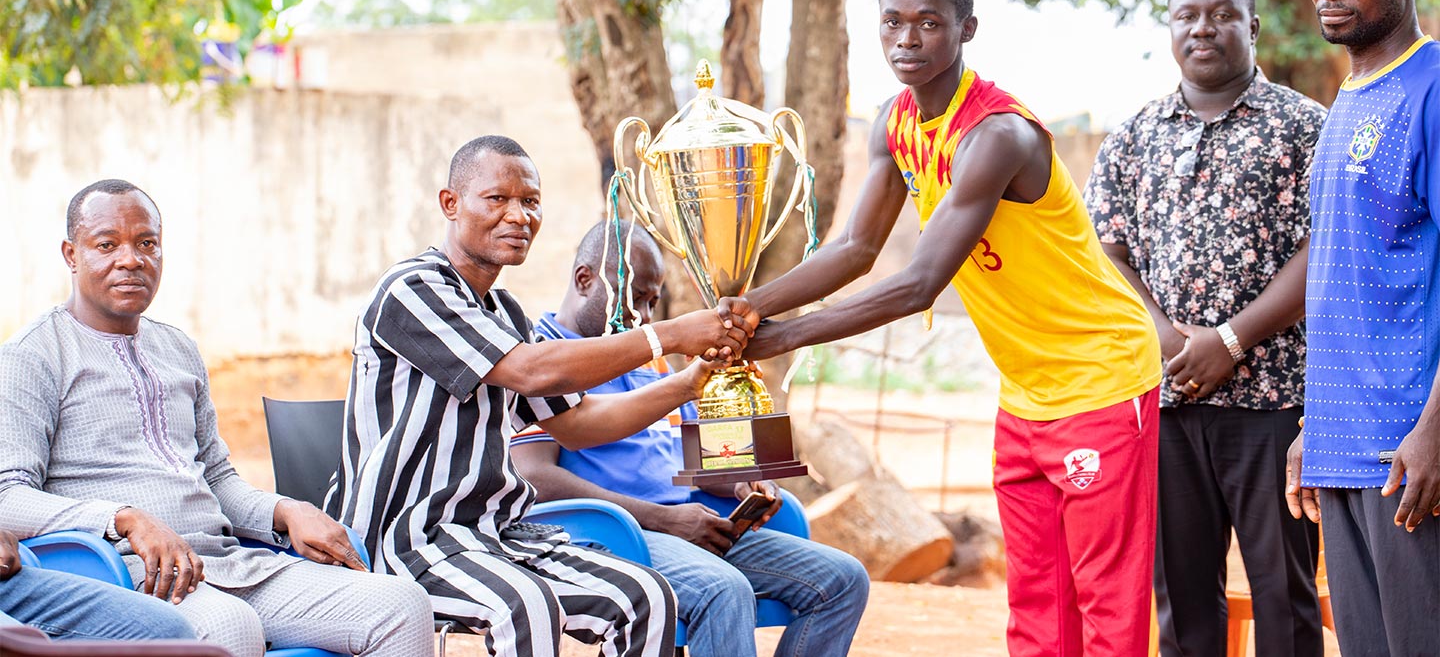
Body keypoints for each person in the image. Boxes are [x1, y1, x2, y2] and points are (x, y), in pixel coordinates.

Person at [740, 0, 1161, 657]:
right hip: (1027, 393)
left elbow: (919, 283)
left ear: (966, 28)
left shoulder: (996, 134)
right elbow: (854, 250)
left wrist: (786, 337)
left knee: (1107, 602)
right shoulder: (895, 121)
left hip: (1101, 378)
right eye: (893, 23)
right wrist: (747, 307)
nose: (907, 40)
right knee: (1036, 597)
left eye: (928, 23)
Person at [325, 135, 759, 657]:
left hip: (492, 533)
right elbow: (530, 373)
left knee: (648, 595)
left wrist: (686, 384)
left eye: (530, 202)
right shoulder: (413, 289)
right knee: (526, 604)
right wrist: (666, 336)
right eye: (497, 199)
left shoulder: (505, 314)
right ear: (450, 204)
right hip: (404, 536)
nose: (518, 215)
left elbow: (579, 423)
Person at [0, 179, 434, 657]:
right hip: (126, 573)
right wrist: (121, 520)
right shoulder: (33, 355)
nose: (130, 260)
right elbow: (7, 495)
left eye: (147, 243)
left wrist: (285, 511)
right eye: (107, 245)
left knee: (403, 605)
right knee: (230, 627)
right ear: (71, 254)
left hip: (230, 563)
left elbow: (219, 478)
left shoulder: (177, 349)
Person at [1083, 0, 1325, 656]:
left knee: (1285, 595)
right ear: (1169, 29)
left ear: (1252, 27)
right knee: (1181, 596)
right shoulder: (1135, 133)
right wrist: (1160, 333)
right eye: (1186, 16)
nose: (1202, 28)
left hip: (1274, 403)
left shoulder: (1305, 127)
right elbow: (1105, 251)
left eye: (1221, 14)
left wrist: (1232, 339)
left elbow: (1326, 251)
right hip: (1165, 402)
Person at [510, 221, 870, 657]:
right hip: (609, 534)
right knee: (723, 589)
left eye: (652, 301)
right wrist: (663, 520)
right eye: (634, 296)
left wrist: (743, 483)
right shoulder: (544, 355)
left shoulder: (653, 362)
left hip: (690, 530)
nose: (643, 315)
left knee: (843, 579)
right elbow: (534, 476)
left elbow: (699, 462)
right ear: (585, 279)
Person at [1287, 0, 1440, 655]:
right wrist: (1316, 428)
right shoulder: (1345, 100)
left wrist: (1436, 429)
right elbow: (1346, 277)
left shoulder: (1434, 90)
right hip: (1345, 445)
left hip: (1409, 449)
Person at [0, 527, 197, 640]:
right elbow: (10, 489)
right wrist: (119, 518)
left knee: (166, 632)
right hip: (131, 556)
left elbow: (218, 476)